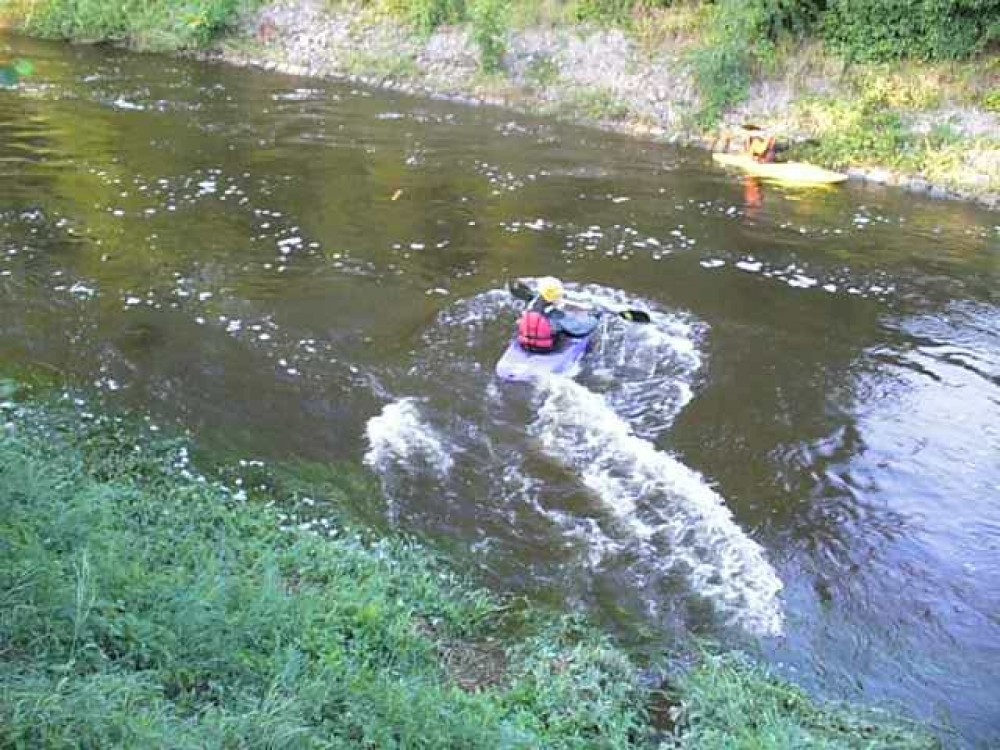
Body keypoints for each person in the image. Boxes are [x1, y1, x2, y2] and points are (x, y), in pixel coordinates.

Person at [517, 277, 600, 353]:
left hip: (525, 345)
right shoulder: (556, 314)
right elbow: (580, 329)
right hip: (546, 348)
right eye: (560, 296)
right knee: (571, 332)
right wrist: (595, 317)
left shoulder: (530, 307)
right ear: (555, 297)